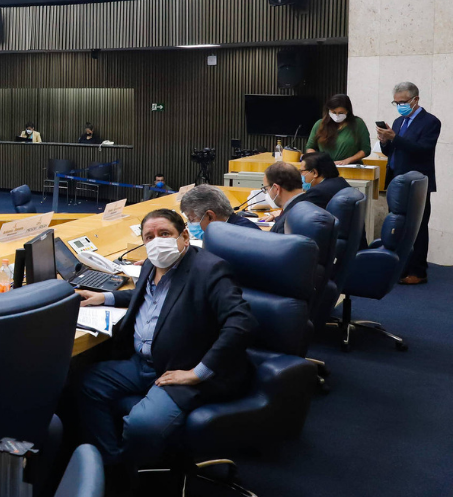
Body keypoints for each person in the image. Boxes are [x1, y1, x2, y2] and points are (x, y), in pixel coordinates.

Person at [75, 209, 255, 488]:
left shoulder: (210, 269)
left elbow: (241, 322)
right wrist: (106, 296)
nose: (156, 241)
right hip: (144, 363)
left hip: (183, 368)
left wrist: (199, 372)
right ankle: (114, 467)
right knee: (85, 384)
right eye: (149, 237)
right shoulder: (151, 263)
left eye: (164, 234)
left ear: (184, 236)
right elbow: (146, 294)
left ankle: (131, 481)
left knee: (141, 425)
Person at [378, 81, 440, 284]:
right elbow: (391, 152)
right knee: (398, 226)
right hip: (396, 180)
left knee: (418, 227)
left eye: (403, 102)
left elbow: (422, 149)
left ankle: (418, 271)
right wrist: (385, 141)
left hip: (416, 183)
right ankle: (400, 267)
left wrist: (395, 138)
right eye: (396, 102)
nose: (400, 106)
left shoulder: (430, 122)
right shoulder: (397, 122)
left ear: (416, 100)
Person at [304, 94, 371, 165]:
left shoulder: (358, 123)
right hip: (325, 168)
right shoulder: (320, 124)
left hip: (350, 167)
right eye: (334, 112)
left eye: (341, 113)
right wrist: (318, 160)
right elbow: (310, 147)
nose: (337, 115)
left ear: (347, 111)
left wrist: (347, 160)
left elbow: (365, 149)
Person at [180, 184, 259, 236]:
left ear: (210, 216)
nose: (189, 225)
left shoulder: (232, 241)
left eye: (191, 219)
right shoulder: (235, 226)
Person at [261, 161, 304, 235]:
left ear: (276, 189)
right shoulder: (309, 202)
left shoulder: (285, 223)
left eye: (267, 189)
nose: (267, 193)